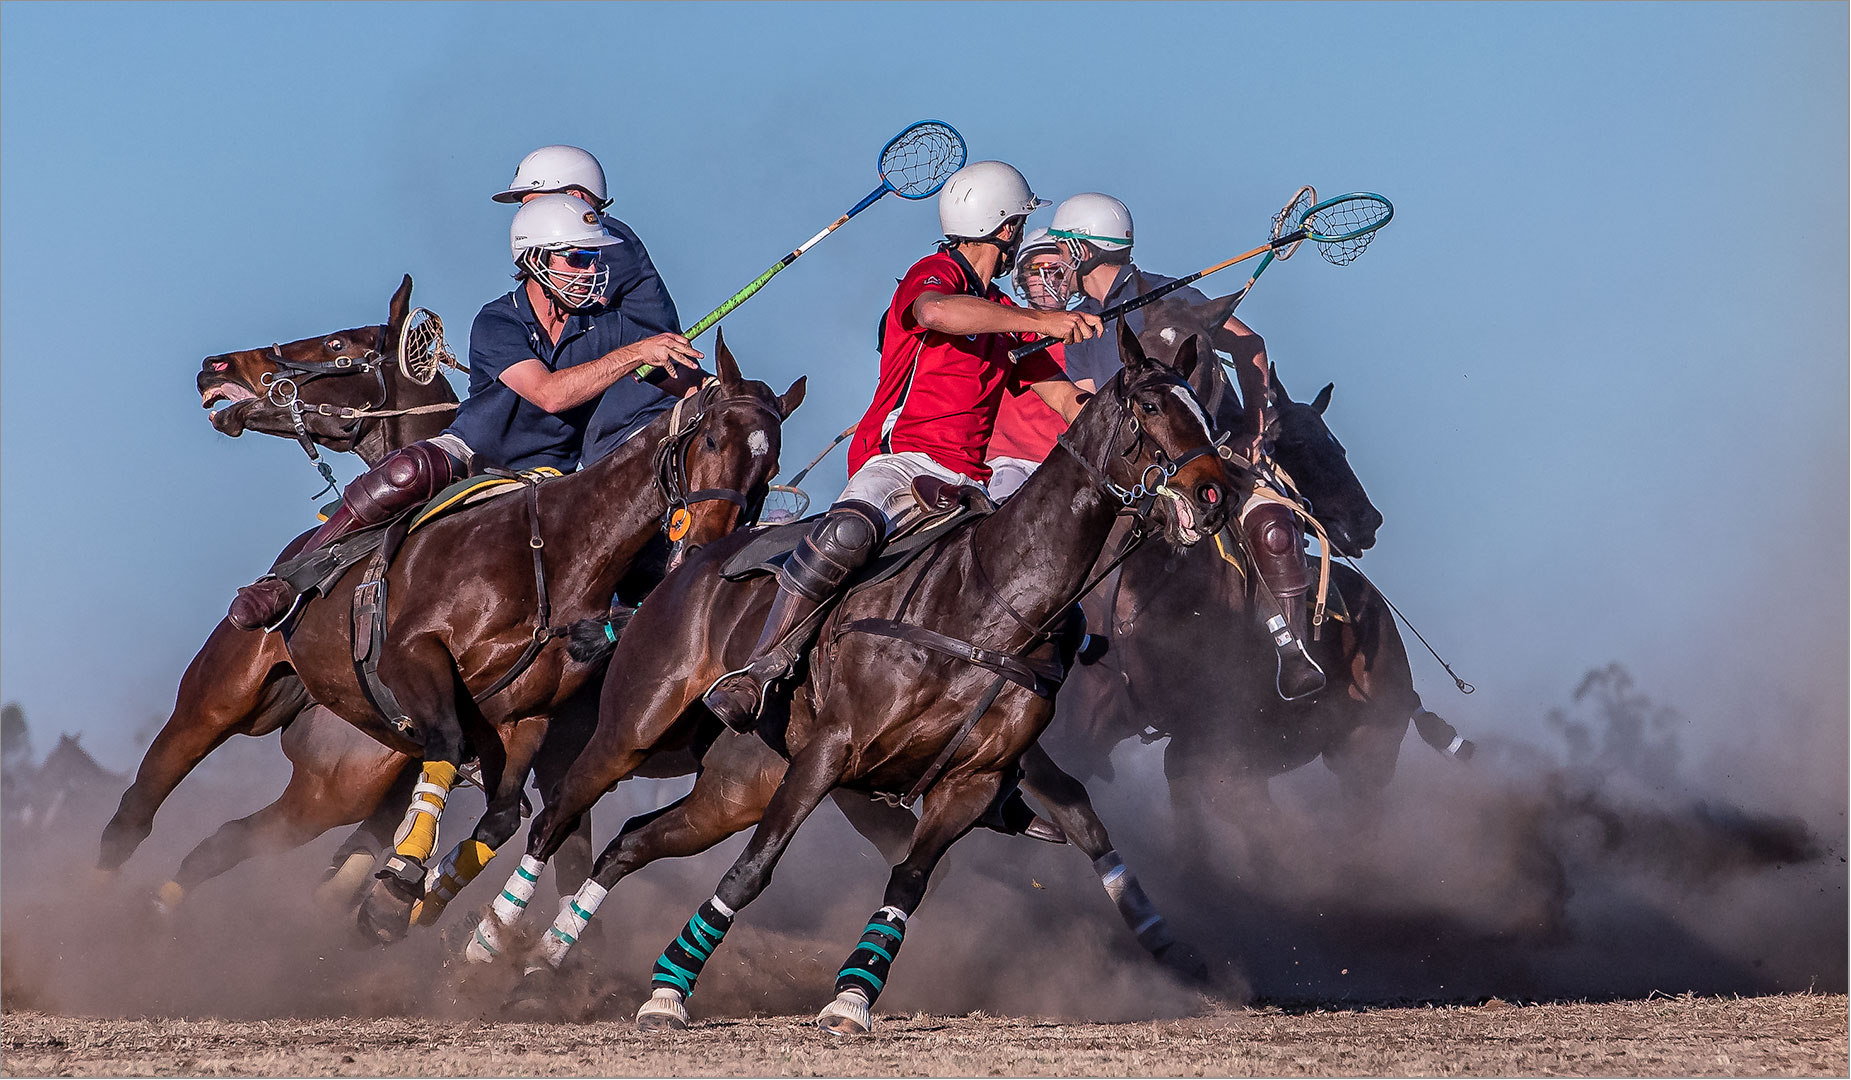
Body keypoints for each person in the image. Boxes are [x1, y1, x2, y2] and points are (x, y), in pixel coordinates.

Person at [701, 161, 1104, 733]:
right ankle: (758, 672)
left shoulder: (1005, 317)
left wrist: (1137, 410)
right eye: (1019, 225)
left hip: (971, 483)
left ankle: (1001, 748)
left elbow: (1068, 404)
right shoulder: (936, 273)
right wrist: (1046, 320)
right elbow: (936, 313)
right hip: (900, 462)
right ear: (1006, 229)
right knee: (845, 534)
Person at [227, 194, 706, 632]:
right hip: (475, 453)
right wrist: (635, 352)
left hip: (556, 474)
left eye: (595, 258)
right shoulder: (498, 321)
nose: (593, 270)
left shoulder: (607, 326)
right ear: (536, 260)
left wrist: (707, 385)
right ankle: (289, 579)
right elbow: (549, 394)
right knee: (407, 469)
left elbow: (672, 381)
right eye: (578, 258)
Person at [1050, 192, 1324, 700]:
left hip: (1207, 455)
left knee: (1267, 523)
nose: (1059, 259)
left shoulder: (1162, 294)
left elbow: (1249, 344)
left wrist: (1254, 427)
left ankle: (1293, 650)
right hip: (1135, 472)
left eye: (1065, 246)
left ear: (1087, 250)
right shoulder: (1082, 322)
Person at [493, 144, 685, 462]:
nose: (525, 219)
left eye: (535, 206)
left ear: (577, 197)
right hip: (605, 420)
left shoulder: (603, 244)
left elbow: (558, 310)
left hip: (640, 411)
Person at [985, 227, 1077, 499]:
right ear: (1021, 278)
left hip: (1072, 467)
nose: (1049, 278)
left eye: (1059, 269)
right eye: (1038, 269)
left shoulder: (1090, 335)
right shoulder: (998, 327)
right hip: (1010, 464)